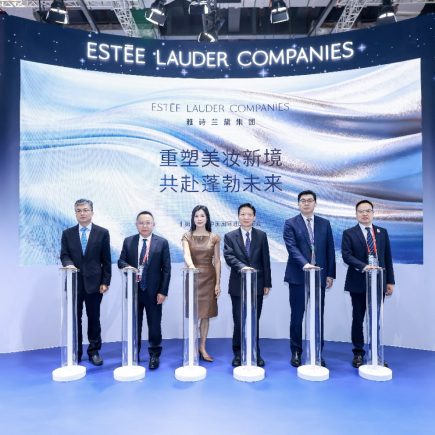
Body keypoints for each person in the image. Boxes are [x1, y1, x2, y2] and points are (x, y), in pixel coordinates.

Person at [283, 190, 336, 367]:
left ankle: (317, 351)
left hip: (319, 276)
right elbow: (291, 247)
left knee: (317, 315)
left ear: (315, 203)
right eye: (303, 201)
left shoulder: (324, 223)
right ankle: (296, 352)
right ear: (298, 204)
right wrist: (305, 264)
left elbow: (330, 249)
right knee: (297, 316)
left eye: (309, 200)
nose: (306, 203)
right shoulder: (290, 223)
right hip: (298, 276)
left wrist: (330, 274)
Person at [342, 199, 395, 368]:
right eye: (361, 211)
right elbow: (346, 256)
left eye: (368, 211)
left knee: (376, 319)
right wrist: (364, 266)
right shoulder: (349, 233)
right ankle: (358, 353)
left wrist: (390, 281)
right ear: (356, 214)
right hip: (358, 282)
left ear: (373, 213)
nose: (364, 214)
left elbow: (387, 258)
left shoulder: (382, 232)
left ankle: (376, 353)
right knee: (358, 319)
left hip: (379, 283)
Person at [60, 199, 112, 366]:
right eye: (79, 210)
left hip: (95, 284)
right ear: (75, 213)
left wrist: (105, 281)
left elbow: (106, 259)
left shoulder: (102, 233)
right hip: (74, 283)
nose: (82, 213)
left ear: (92, 212)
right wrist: (68, 264)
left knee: (94, 319)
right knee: (75, 319)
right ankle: (76, 351)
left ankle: (94, 351)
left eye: (85, 210)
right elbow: (64, 254)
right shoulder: (67, 233)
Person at [118, 211, 171, 369]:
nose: (145, 225)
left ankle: (154, 355)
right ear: (136, 225)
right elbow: (120, 261)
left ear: (153, 225)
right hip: (134, 292)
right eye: (141, 223)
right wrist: (127, 267)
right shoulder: (129, 241)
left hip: (154, 293)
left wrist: (163, 291)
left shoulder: (162, 243)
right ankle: (134, 353)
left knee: (154, 325)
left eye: (148, 223)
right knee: (135, 325)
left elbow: (166, 270)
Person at [224, 203, 271, 368]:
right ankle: (238, 353)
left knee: (254, 320)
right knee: (239, 321)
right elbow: (229, 256)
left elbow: (265, 260)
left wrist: (267, 283)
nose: (246, 217)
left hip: (257, 285)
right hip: (238, 286)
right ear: (238, 216)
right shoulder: (230, 236)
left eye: (249, 214)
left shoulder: (261, 236)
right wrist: (242, 267)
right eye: (243, 214)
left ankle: (255, 352)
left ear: (254, 217)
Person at [182, 205, 221, 362]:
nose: (199, 219)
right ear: (193, 218)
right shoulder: (187, 236)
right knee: (194, 315)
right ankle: (192, 347)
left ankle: (202, 347)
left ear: (207, 218)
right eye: (196, 216)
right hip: (193, 277)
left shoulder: (214, 237)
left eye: (202, 216)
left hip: (209, 279)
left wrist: (218, 283)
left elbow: (217, 261)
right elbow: (186, 254)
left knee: (206, 315)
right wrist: (192, 268)